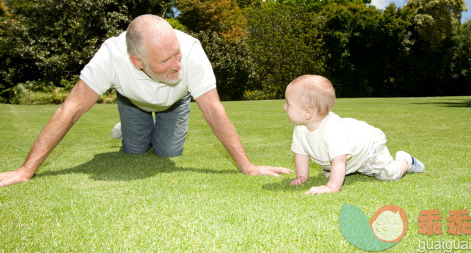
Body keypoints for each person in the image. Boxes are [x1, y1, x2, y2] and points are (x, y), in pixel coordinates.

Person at [0, 14, 291, 187]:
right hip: (133, 102)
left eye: (177, 53)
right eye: (167, 60)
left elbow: (214, 110)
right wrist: (26, 171)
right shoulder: (111, 56)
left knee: (167, 154)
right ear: (137, 62)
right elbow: (71, 109)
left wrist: (247, 166)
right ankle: (127, 130)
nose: (178, 65)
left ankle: (157, 130)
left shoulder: (190, 50)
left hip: (175, 101)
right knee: (135, 152)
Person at [283, 75, 425, 195]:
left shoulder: (332, 129)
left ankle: (406, 161)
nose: (284, 107)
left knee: (390, 174)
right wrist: (302, 176)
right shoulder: (300, 129)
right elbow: (301, 154)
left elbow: (339, 160)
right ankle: (348, 170)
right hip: (348, 159)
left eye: (288, 104)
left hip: (367, 148)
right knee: (335, 169)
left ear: (307, 112)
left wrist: (331, 186)